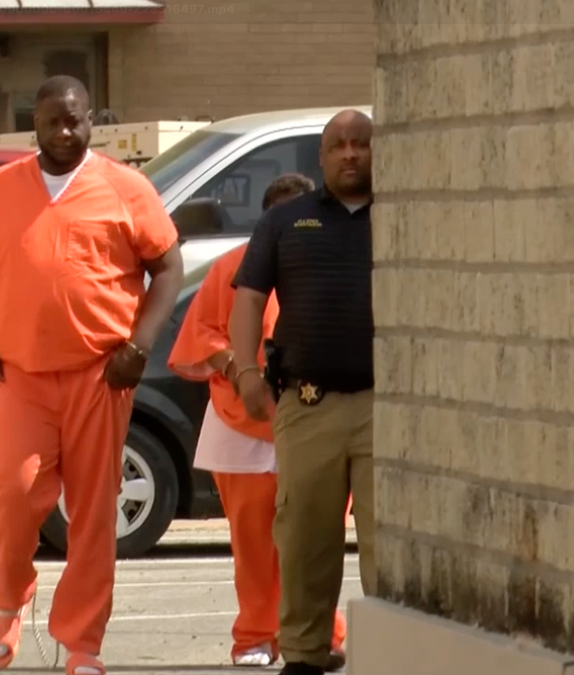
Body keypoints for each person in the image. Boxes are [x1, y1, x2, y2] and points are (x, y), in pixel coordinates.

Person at [0, 74, 185, 675]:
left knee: (93, 513)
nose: (64, 130)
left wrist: (140, 345)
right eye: (53, 119)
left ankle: (81, 644)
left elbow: (168, 267)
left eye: (76, 119)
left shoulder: (126, 188)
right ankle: (10, 594)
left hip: (100, 374)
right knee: (14, 493)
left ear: (91, 122)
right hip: (20, 374)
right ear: (35, 121)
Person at [167, 173, 352, 670]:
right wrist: (233, 362)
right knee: (253, 542)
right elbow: (199, 332)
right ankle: (254, 634)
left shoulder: (337, 262)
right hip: (240, 423)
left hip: (318, 416)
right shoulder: (231, 267)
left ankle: (324, 634)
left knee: (316, 535)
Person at [227, 110, 377, 675]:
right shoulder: (286, 222)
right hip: (307, 405)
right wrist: (245, 373)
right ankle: (307, 655)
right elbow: (247, 298)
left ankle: (392, 650)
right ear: (321, 156)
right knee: (307, 540)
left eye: (360, 144)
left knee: (390, 544)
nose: (350, 154)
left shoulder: (410, 214)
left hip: (388, 407)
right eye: (338, 145)